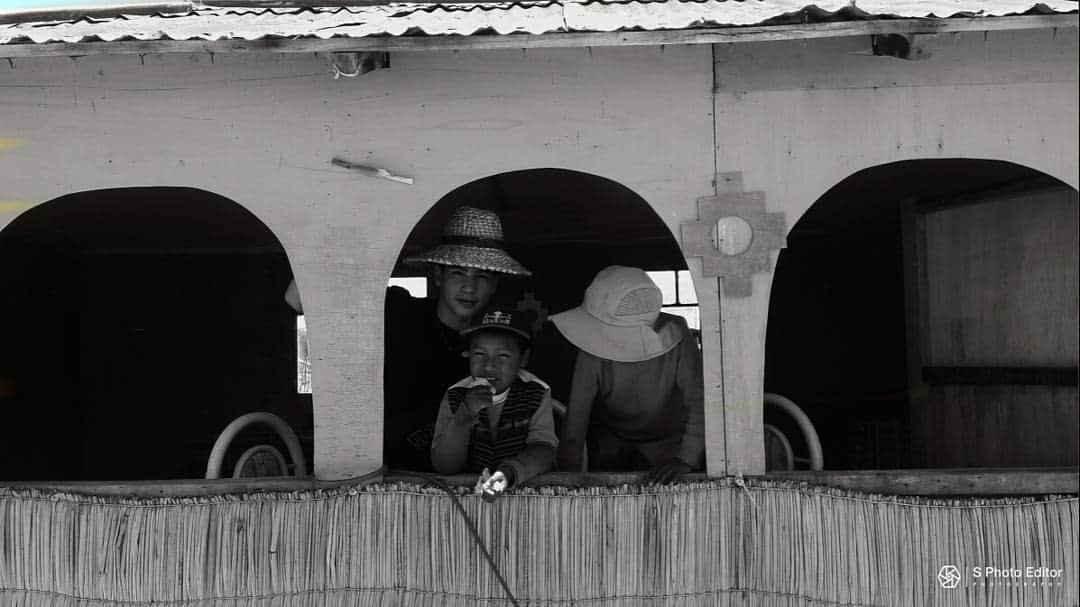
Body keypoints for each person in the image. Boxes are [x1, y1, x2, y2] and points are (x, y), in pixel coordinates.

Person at [384, 206, 531, 471]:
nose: (469, 287)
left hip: (465, 482)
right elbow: (300, 299)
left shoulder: (500, 343)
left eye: (482, 276)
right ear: (438, 275)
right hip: (388, 476)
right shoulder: (399, 311)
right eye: (458, 273)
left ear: (495, 284)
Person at [551, 265, 704, 484]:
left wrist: (687, 457)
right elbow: (576, 422)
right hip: (613, 440)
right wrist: (567, 481)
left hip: (673, 441)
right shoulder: (592, 348)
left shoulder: (678, 333)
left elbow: (700, 401)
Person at [430, 305, 557, 486]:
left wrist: (509, 473)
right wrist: (464, 415)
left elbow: (545, 450)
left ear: (523, 359)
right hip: (468, 495)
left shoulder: (535, 392)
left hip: (523, 492)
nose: (489, 365)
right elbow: (445, 466)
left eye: (503, 356)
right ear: (468, 355)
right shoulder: (456, 395)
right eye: (480, 354)